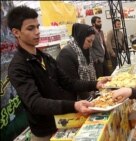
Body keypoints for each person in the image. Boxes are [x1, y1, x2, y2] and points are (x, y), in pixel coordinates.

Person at [7, 6, 110, 140]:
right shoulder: (18, 67)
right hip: (45, 131)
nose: (37, 32)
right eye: (30, 28)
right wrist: (73, 105)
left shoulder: (45, 58)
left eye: (38, 27)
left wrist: (96, 84)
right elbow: (35, 103)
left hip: (64, 123)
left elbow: (68, 82)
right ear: (16, 32)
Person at [56, 23, 96, 100]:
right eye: (89, 41)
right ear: (81, 37)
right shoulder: (66, 55)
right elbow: (72, 83)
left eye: (92, 41)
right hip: (74, 100)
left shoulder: (84, 50)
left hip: (88, 97)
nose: (91, 45)